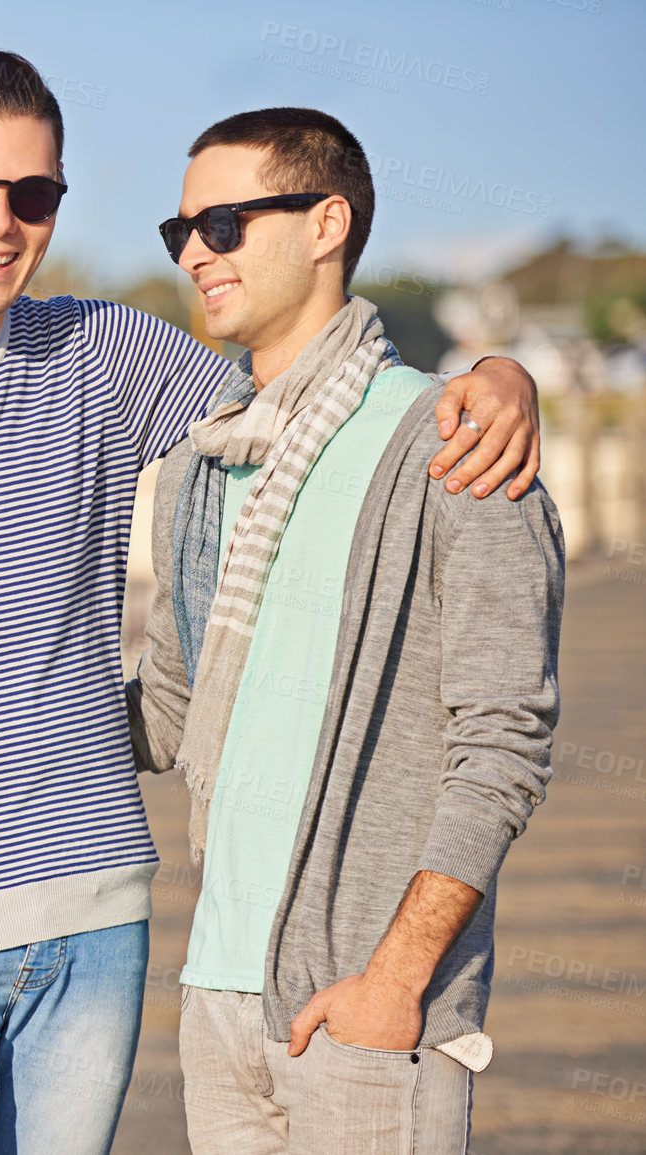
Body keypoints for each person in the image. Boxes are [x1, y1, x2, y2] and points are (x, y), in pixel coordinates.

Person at [0, 45, 541, 1154]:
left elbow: (310, 397)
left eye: (32, 194)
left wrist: (500, 379)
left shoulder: (105, 353)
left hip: (94, 923)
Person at [126, 107, 563, 1153]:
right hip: (219, 998)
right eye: (178, 229)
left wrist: (396, 982)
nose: (194, 250)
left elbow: (503, 740)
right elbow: (170, 717)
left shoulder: (455, 443)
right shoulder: (203, 465)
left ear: (326, 223)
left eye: (224, 222)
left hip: (369, 1014)